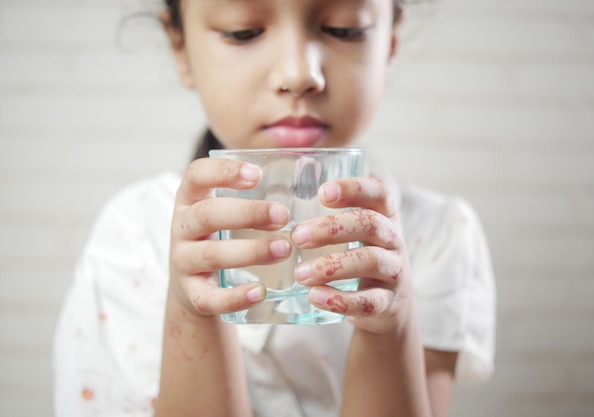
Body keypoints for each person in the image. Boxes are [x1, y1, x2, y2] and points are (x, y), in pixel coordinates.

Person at [53, 0, 496, 416]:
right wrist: (192, 311)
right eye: (243, 31)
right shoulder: (133, 233)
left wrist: (392, 329)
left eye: (345, 28)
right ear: (180, 48)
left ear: (391, 46)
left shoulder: (436, 233)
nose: (299, 73)